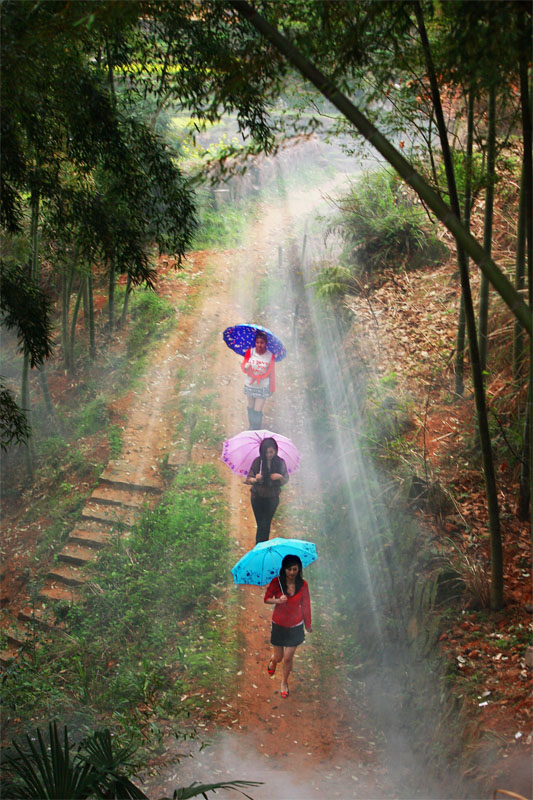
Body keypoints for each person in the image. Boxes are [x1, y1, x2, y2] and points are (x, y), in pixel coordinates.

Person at [264, 554, 312, 698]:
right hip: (279, 624)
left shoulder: (303, 585)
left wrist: (307, 624)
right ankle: (273, 661)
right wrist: (278, 601)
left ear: (299, 570)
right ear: (284, 569)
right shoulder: (276, 582)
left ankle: (284, 683)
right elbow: (266, 599)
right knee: (279, 657)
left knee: (288, 658)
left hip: (295, 625)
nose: (292, 572)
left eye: (294, 569)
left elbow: (306, 605)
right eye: (289, 569)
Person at [244, 437, 288, 544]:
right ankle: (262, 546)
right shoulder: (258, 462)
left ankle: (260, 546)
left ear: (276, 450)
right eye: (266, 452)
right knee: (261, 524)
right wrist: (255, 479)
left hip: (272, 499)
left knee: (266, 523)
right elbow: (248, 479)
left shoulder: (280, 463)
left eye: (271, 452)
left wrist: (280, 477)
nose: (269, 455)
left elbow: (285, 479)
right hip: (257, 498)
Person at [241, 331, 275, 430]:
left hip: (263, 386)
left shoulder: (270, 355)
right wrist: (246, 367)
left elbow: (271, 371)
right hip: (250, 385)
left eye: (262, 342)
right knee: (250, 407)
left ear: (266, 343)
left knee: (257, 410)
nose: (259, 345)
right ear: (255, 343)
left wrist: (272, 387)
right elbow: (244, 365)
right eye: (257, 342)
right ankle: (251, 427)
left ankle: (256, 428)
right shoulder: (250, 352)